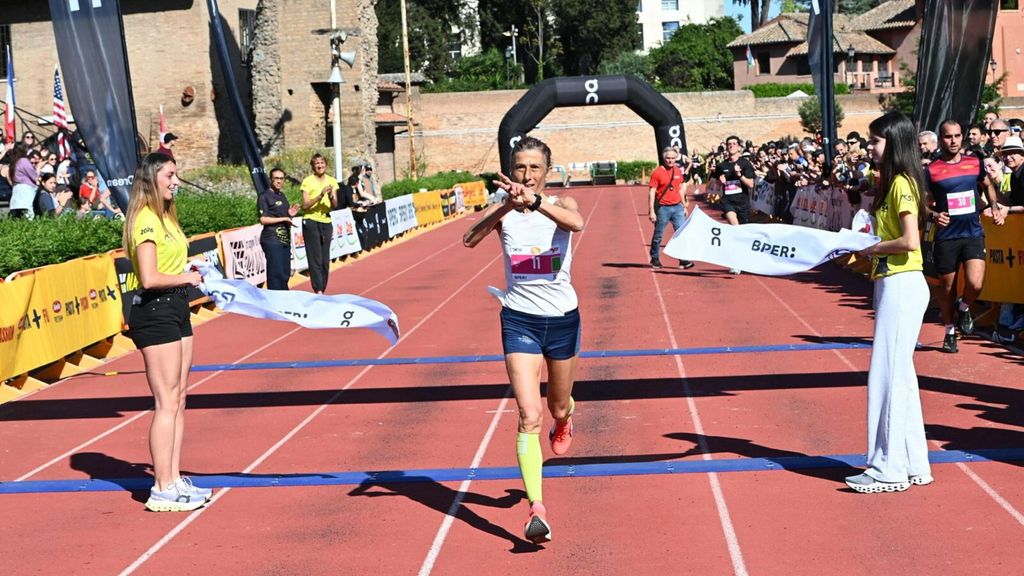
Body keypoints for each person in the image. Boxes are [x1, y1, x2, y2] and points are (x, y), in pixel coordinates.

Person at [462, 136, 584, 544]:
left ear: (547, 172)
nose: (526, 175)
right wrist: (504, 207)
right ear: (510, 171)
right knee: (529, 415)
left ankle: (564, 420)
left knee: (557, 404)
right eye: (520, 168)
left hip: (563, 320)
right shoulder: (504, 213)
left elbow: (577, 224)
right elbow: (469, 240)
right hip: (519, 321)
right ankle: (537, 509)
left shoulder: (560, 205)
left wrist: (534, 203)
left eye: (534, 168)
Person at [845, 111, 932, 494]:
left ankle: (888, 468)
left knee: (887, 376)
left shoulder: (900, 183)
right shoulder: (896, 182)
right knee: (902, 376)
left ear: (893, 142)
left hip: (902, 282)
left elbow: (910, 240)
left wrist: (871, 246)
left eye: (875, 140)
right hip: (895, 281)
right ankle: (913, 462)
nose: (870, 147)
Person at [122, 152, 211, 511]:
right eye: (170, 175)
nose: (176, 181)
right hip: (154, 309)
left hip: (176, 306)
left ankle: (173, 479)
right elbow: (149, 277)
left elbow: (169, 264)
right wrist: (188, 278)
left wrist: (193, 266)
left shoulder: (166, 216)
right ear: (153, 179)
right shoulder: (145, 219)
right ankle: (161, 487)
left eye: (176, 174)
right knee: (166, 400)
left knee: (180, 397)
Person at [924, 120, 1007, 353]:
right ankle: (950, 331)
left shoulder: (974, 162)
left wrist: (994, 205)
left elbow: (987, 184)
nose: (954, 141)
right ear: (941, 139)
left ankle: (965, 305)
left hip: (972, 232)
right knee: (947, 288)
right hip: (947, 237)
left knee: (975, 283)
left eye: (957, 136)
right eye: (949, 136)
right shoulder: (932, 169)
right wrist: (933, 215)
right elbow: (924, 202)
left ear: (962, 137)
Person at [713, 135, 756, 274]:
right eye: (728, 144)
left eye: (733, 144)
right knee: (735, 227)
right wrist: (719, 181)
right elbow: (715, 185)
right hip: (728, 202)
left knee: (743, 233)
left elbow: (750, 184)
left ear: (738, 146)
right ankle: (735, 262)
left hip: (742, 202)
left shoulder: (745, 164)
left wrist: (739, 175)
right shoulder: (721, 166)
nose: (731, 146)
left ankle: (745, 259)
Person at [648, 146, 693, 269]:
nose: (670, 161)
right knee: (658, 235)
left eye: (673, 158)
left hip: (677, 207)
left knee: (681, 233)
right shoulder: (657, 172)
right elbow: (652, 192)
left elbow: (679, 190)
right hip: (663, 208)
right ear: (664, 158)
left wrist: (684, 206)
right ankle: (655, 258)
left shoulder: (678, 171)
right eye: (668, 158)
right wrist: (652, 211)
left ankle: (683, 260)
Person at [300, 153, 338, 294]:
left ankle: (323, 287)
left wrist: (330, 195)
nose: (320, 166)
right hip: (311, 220)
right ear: (313, 166)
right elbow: (305, 205)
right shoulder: (307, 181)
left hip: (326, 221)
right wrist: (320, 195)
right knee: (315, 258)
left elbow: (335, 204)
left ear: (325, 165)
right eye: (317, 164)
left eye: (322, 163)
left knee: (324, 260)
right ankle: (318, 290)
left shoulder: (332, 181)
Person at [259, 167, 299, 290]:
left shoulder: (282, 195)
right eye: (276, 178)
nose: (279, 181)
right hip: (271, 239)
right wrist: (283, 219)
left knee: (285, 272)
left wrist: (290, 214)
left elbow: (283, 214)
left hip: (284, 239)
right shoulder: (265, 196)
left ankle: (284, 298)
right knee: (276, 273)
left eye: (281, 179)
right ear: (271, 179)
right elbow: (263, 219)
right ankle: (275, 299)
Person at [8, 145, 39, 219]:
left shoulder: (14, 162)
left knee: (18, 214)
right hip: (26, 190)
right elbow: (34, 176)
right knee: (28, 213)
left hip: (17, 190)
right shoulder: (23, 160)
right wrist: (39, 167)